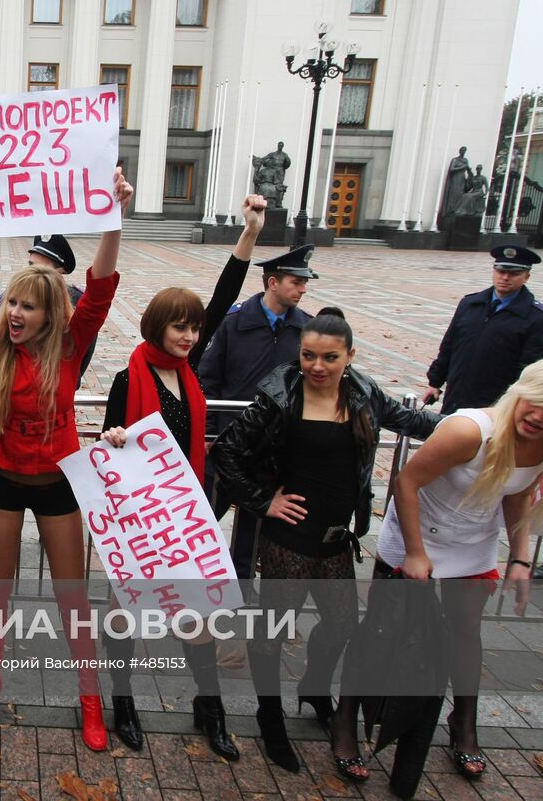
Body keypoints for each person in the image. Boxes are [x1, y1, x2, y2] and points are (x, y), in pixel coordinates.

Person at [0, 166, 134, 752]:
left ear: (52, 313)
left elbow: (103, 284)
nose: (15, 313)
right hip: (5, 482)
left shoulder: (71, 344)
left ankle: (90, 699)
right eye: (11, 302)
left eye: (28, 307)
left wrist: (112, 212)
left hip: (60, 482)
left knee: (70, 594)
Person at [209, 309, 438, 777]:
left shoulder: (365, 393)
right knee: (272, 631)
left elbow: (412, 421)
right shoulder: (279, 396)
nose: (317, 365)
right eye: (309, 355)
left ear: (349, 356)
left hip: (336, 538)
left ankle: (314, 686)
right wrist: (261, 501)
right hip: (288, 538)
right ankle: (269, 714)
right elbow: (227, 451)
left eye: (330, 357)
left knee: (339, 624)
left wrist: (481, 427)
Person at [97, 193, 267, 755]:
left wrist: (248, 235)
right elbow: (108, 439)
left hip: (185, 510)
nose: (190, 336)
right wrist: (115, 436)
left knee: (199, 617)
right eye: (178, 327)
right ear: (156, 328)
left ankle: (209, 707)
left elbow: (222, 301)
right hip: (140, 519)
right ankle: (123, 701)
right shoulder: (130, 377)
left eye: (193, 328)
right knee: (127, 614)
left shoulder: (188, 373)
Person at [373, 356, 543, 783]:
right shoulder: (469, 429)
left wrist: (521, 558)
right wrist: (415, 553)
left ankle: (464, 725)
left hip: (473, 542)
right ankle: (371, 714)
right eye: (536, 400)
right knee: (392, 630)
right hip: (415, 532)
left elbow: (517, 496)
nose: (538, 416)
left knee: (466, 634)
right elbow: (406, 482)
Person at [198, 244, 318, 585]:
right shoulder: (233, 323)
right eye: (296, 282)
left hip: (271, 450)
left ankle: (241, 589)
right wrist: (209, 434)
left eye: (304, 282)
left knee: (253, 526)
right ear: (272, 282)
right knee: (202, 519)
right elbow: (208, 380)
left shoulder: (305, 329)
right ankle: (185, 582)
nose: (303, 289)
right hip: (225, 443)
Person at [424, 245, 543, 415]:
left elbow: (531, 369)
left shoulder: (538, 317)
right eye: (501, 271)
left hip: (496, 405)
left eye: (514, 273)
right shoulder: (470, 304)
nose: (505, 277)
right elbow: (449, 346)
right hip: (457, 396)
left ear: (526, 277)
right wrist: (435, 382)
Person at [0, 235, 96, 386]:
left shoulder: (76, 302)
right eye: (31, 265)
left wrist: (67, 379)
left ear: (59, 273)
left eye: (40, 268)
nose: (32, 273)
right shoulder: (7, 298)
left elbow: (84, 351)